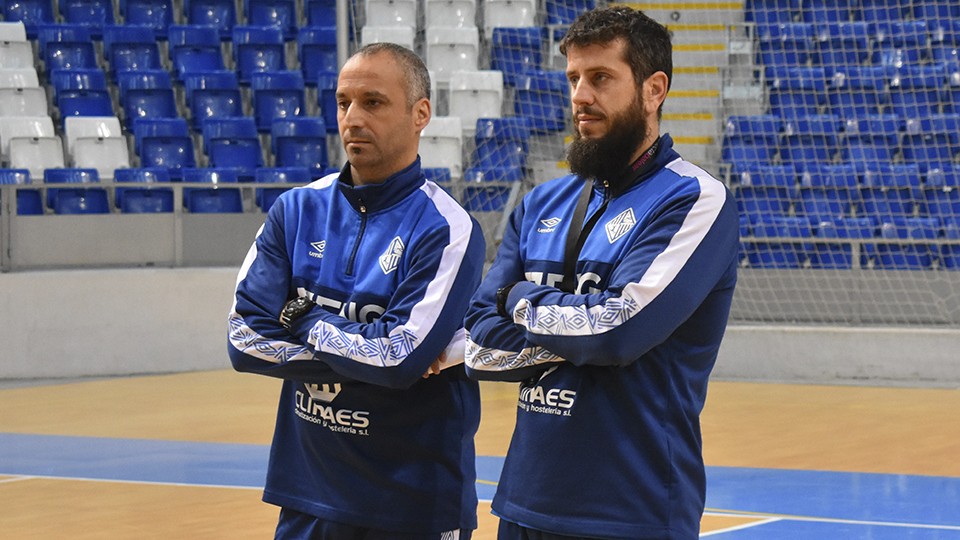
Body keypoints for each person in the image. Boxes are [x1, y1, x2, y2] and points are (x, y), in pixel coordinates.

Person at [463, 6, 740, 540]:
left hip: (631, 510)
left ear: (654, 89)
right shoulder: (541, 202)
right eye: (573, 79)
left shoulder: (694, 199)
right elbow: (477, 340)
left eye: (600, 78)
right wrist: (576, 330)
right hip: (523, 503)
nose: (580, 96)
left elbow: (618, 330)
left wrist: (517, 299)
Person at [227, 42, 486, 539]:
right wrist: (374, 353)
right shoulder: (294, 211)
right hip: (307, 495)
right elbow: (243, 341)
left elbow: (399, 359)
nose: (352, 117)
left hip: (412, 506)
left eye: (373, 102)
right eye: (344, 102)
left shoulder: (447, 229)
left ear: (420, 114)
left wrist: (301, 320)